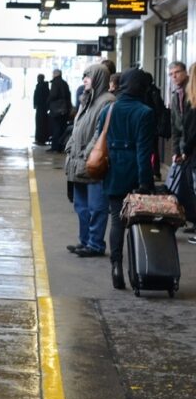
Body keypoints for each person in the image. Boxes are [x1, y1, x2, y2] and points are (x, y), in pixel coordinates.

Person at [96, 68, 155, 289]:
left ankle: (116, 266)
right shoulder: (145, 113)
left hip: (111, 172)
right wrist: (145, 183)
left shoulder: (108, 110)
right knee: (137, 224)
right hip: (133, 174)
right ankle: (137, 269)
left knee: (116, 220)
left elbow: (100, 138)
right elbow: (143, 152)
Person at [64, 64, 114, 257]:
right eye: (84, 76)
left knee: (96, 207)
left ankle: (95, 244)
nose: (84, 80)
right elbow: (78, 126)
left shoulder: (107, 101)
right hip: (78, 162)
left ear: (99, 79)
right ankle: (85, 241)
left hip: (92, 162)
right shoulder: (86, 100)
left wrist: (87, 152)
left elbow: (101, 131)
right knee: (81, 206)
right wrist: (70, 145)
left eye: (88, 77)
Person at [167, 61, 196, 233]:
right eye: (171, 74)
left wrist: (185, 151)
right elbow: (176, 127)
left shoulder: (191, 92)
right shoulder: (174, 95)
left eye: (177, 72)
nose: (174, 76)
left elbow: (191, 127)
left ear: (186, 73)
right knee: (187, 186)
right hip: (186, 148)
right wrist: (176, 151)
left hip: (191, 148)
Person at [143, 72, 168, 180]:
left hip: (150, 125)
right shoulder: (154, 90)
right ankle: (155, 172)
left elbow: (157, 108)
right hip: (153, 125)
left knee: (151, 149)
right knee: (154, 149)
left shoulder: (149, 91)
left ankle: (154, 172)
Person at [47, 69, 71, 152]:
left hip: (56, 110)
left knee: (56, 128)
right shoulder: (64, 83)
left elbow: (53, 95)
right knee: (62, 128)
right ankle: (61, 147)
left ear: (54, 74)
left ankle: (55, 147)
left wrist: (47, 101)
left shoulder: (55, 83)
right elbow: (68, 96)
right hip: (64, 109)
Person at [33, 74, 50, 145]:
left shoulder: (40, 86)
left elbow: (38, 97)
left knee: (40, 124)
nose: (37, 79)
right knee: (42, 124)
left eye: (38, 78)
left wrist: (36, 104)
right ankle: (41, 139)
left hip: (40, 108)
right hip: (43, 108)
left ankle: (40, 139)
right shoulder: (45, 86)